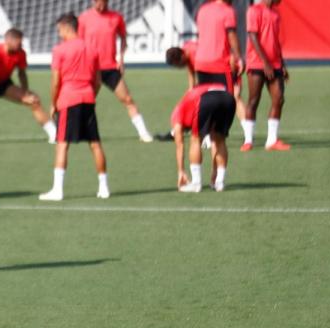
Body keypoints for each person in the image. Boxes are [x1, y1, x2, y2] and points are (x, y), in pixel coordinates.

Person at [41, 13, 109, 202]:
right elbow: (98, 81)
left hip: (68, 99)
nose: (58, 33)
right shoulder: (92, 48)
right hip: (88, 98)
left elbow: (55, 82)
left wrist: (53, 103)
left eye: (59, 30)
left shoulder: (60, 50)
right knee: (95, 144)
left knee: (62, 145)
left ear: (65, 27)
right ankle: (104, 188)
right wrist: (89, 94)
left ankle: (57, 190)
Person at [78, 0, 154, 143]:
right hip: (91, 68)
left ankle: (143, 133)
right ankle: (75, 131)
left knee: (128, 100)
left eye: (100, 2)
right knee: (85, 101)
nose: (97, 5)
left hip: (110, 67)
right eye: (94, 2)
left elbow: (123, 38)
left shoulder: (116, 17)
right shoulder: (84, 18)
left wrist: (121, 58)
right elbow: (78, 43)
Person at [0, 28, 56, 143]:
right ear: (8, 40)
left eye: (21, 42)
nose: (20, 45)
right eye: (18, 42)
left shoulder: (21, 53)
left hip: (3, 84)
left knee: (33, 100)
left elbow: (21, 73)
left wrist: (26, 91)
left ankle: (53, 133)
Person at [170, 83, 236, 193]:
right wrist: (214, 170)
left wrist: (181, 171)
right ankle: (219, 182)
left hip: (207, 99)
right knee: (219, 139)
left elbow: (179, 145)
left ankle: (196, 183)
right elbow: (214, 142)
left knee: (195, 139)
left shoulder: (176, 116)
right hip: (228, 97)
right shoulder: (187, 107)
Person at [242, 0, 289, 151]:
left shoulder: (275, 13)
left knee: (279, 99)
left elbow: (275, 41)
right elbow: (253, 36)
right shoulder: (254, 10)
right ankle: (248, 141)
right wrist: (265, 63)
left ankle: (271, 140)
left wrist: (282, 63)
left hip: (275, 63)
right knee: (253, 100)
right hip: (257, 62)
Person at [193, 0, 246, 132]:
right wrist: (239, 57)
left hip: (201, 62)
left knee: (205, 101)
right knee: (229, 100)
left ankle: (205, 135)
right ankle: (222, 134)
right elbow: (232, 35)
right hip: (220, 63)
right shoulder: (228, 11)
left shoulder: (202, 10)